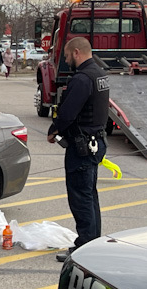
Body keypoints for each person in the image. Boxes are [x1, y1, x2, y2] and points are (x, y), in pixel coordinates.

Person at [46, 37, 109, 262]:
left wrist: (54, 130)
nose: (65, 60)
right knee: (90, 195)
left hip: (82, 146)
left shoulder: (82, 79)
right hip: (95, 142)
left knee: (81, 197)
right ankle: (93, 242)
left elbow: (68, 112)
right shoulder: (100, 74)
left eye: (65, 56)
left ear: (76, 53)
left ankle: (84, 248)